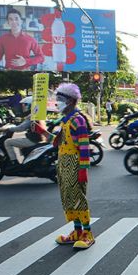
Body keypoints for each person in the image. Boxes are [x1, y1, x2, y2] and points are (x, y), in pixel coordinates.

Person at [34, 83, 94, 249]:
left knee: (78, 198)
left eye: (60, 99)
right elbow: (60, 142)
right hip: (63, 163)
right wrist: (43, 132)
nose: (57, 102)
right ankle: (76, 231)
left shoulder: (78, 120)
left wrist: (83, 169)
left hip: (74, 164)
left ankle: (87, 233)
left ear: (70, 101)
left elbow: (84, 146)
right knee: (68, 197)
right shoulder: (66, 120)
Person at [0, 96, 45, 168]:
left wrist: (9, 129)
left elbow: (21, 128)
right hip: (38, 139)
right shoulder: (37, 114)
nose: (23, 107)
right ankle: (26, 158)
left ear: (30, 105)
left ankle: (14, 162)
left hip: (33, 140)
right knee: (20, 141)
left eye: (25, 105)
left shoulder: (32, 116)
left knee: (7, 142)